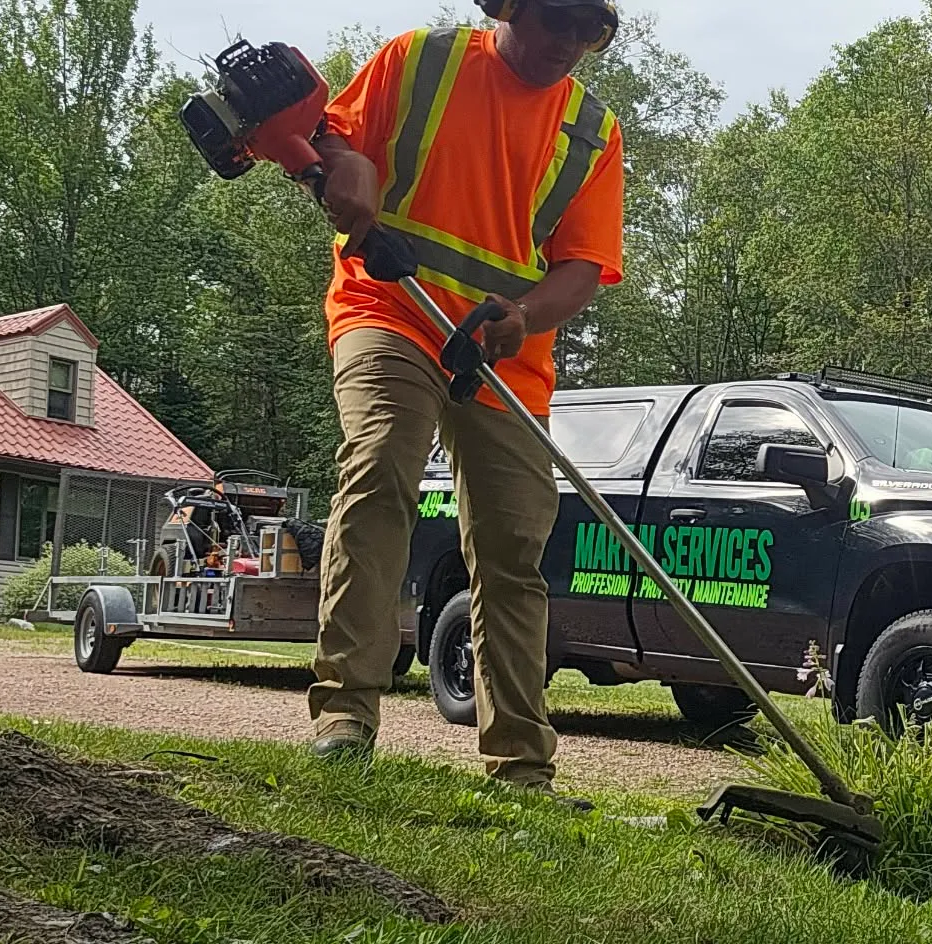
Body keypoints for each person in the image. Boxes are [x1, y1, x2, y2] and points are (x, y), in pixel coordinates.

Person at [302, 0, 625, 801]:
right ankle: (345, 717)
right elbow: (333, 139)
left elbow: (582, 265)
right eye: (558, 18)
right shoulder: (421, 61)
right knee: (379, 470)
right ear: (511, 4)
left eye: (592, 30)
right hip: (390, 308)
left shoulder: (591, 130)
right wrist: (347, 168)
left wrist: (524, 317)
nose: (570, 43)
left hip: (500, 354)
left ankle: (521, 768)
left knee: (514, 550)